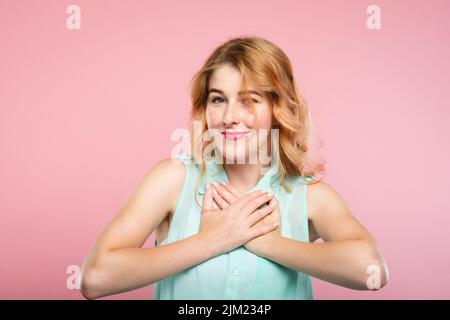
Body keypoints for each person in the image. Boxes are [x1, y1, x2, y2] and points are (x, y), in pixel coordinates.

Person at [80, 36, 389, 300]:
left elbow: (370, 270)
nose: (229, 116)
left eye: (248, 100)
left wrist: (264, 241)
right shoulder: (173, 179)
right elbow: (95, 279)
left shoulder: (308, 193)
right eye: (218, 100)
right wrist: (213, 240)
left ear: (277, 109)